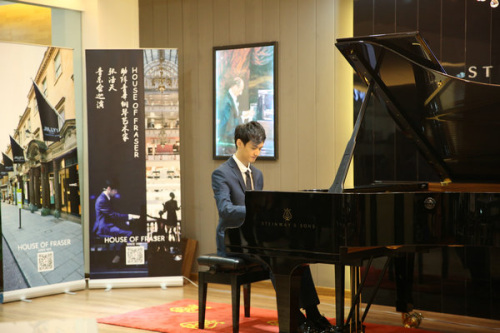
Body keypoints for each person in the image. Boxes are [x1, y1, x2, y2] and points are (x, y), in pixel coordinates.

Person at [211, 121, 333, 333]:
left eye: (260, 148)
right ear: (239, 143)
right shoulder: (221, 174)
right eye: (253, 148)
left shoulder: (257, 174)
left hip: (254, 239)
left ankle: (312, 314)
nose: (257, 153)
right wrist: (257, 211)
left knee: (297, 254)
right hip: (233, 241)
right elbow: (225, 210)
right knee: (276, 257)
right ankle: (296, 320)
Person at [93, 179, 140, 264]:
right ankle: (119, 257)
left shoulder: (105, 198)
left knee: (127, 232)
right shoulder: (102, 200)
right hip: (104, 228)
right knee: (129, 233)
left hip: (107, 225)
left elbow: (111, 216)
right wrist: (130, 216)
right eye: (115, 190)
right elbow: (113, 215)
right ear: (109, 188)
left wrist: (125, 221)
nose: (116, 193)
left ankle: (118, 257)